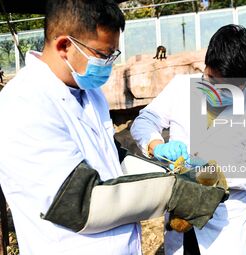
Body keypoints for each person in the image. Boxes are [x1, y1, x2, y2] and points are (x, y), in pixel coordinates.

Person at [0, 1, 227, 254]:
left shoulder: (90, 93)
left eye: (113, 55)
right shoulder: (24, 103)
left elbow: (110, 159)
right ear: (65, 45)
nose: (108, 64)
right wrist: (173, 192)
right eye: (103, 55)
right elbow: (77, 203)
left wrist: (170, 171)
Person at [131, 24, 246, 255]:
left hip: (224, 228)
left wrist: (210, 175)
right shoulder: (181, 87)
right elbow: (145, 120)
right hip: (180, 212)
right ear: (206, 64)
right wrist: (156, 145)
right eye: (210, 79)